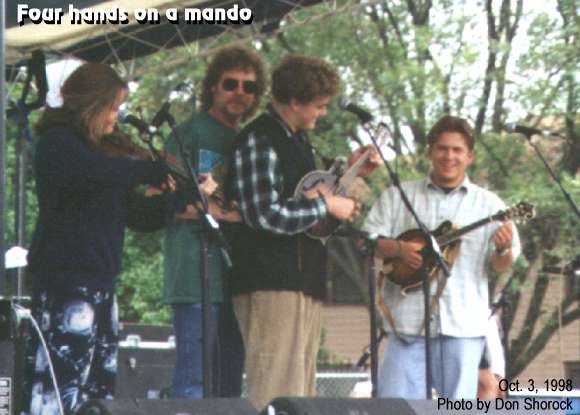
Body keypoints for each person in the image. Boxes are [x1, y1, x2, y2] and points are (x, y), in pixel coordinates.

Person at [22, 63, 185, 414]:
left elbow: (136, 215)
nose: (117, 117)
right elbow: (92, 172)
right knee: (61, 383)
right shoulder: (58, 143)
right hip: (66, 281)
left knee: (98, 384)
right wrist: (146, 169)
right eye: (113, 107)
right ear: (92, 105)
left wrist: (177, 200)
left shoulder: (105, 155)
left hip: (101, 282)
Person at [226, 54, 379, 410]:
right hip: (269, 282)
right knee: (276, 388)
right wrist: (326, 206)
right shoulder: (260, 140)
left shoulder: (296, 140)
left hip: (300, 280)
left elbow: (303, 195)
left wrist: (353, 171)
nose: (322, 114)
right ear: (294, 101)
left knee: (299, 392)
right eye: (319, 106)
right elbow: (263, 213)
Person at [363, 115, 521, 399]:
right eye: (442, 148)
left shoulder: (490, 204)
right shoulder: (397, 196)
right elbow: (367, 241)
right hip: (406, 325)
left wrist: (503, 249)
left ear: (470, 156)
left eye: (458, 150)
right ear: (429, 152)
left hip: (462, 327)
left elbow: (501, 267)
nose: (449, 156)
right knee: (396, 407)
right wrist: (399, 249)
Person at [160, 45, 267, 399]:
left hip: (238, 276)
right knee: (194, 381)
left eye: (248, 87)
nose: (239, 93)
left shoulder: (249, 139)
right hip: (194, 274)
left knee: (229, 386)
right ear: (212, 87)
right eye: (230, 83)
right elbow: (157, 199)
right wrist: (221, 212)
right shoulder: (188, 132)